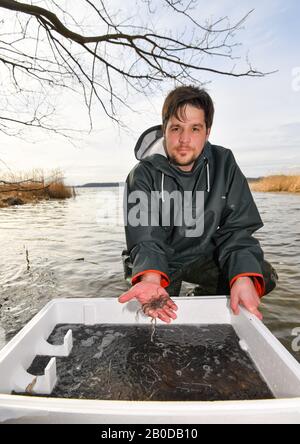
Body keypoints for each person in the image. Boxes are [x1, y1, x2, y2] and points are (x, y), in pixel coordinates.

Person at [118, 85, 278, 323]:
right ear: (165, 129)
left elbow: (237, 230)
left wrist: (242, 277)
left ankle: (204, 295)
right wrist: (150, 278)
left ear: (207, 131)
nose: (184, 140)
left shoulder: (225, 163)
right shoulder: (142, 174)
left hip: (202, 254)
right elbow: (145, 236)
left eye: (195, 128)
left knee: (261, 274)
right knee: (154, 313)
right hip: (159, 260)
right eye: (176, 128)